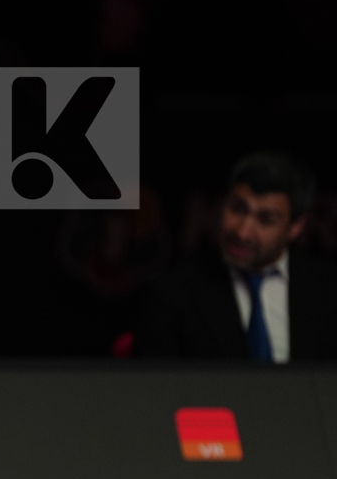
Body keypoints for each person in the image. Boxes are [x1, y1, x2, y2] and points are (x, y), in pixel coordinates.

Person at [134, 152, 337, 361]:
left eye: (265, 219)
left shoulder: (330, 290)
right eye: (237, 209)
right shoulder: (169, 294)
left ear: (296, 227)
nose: (243, 233)